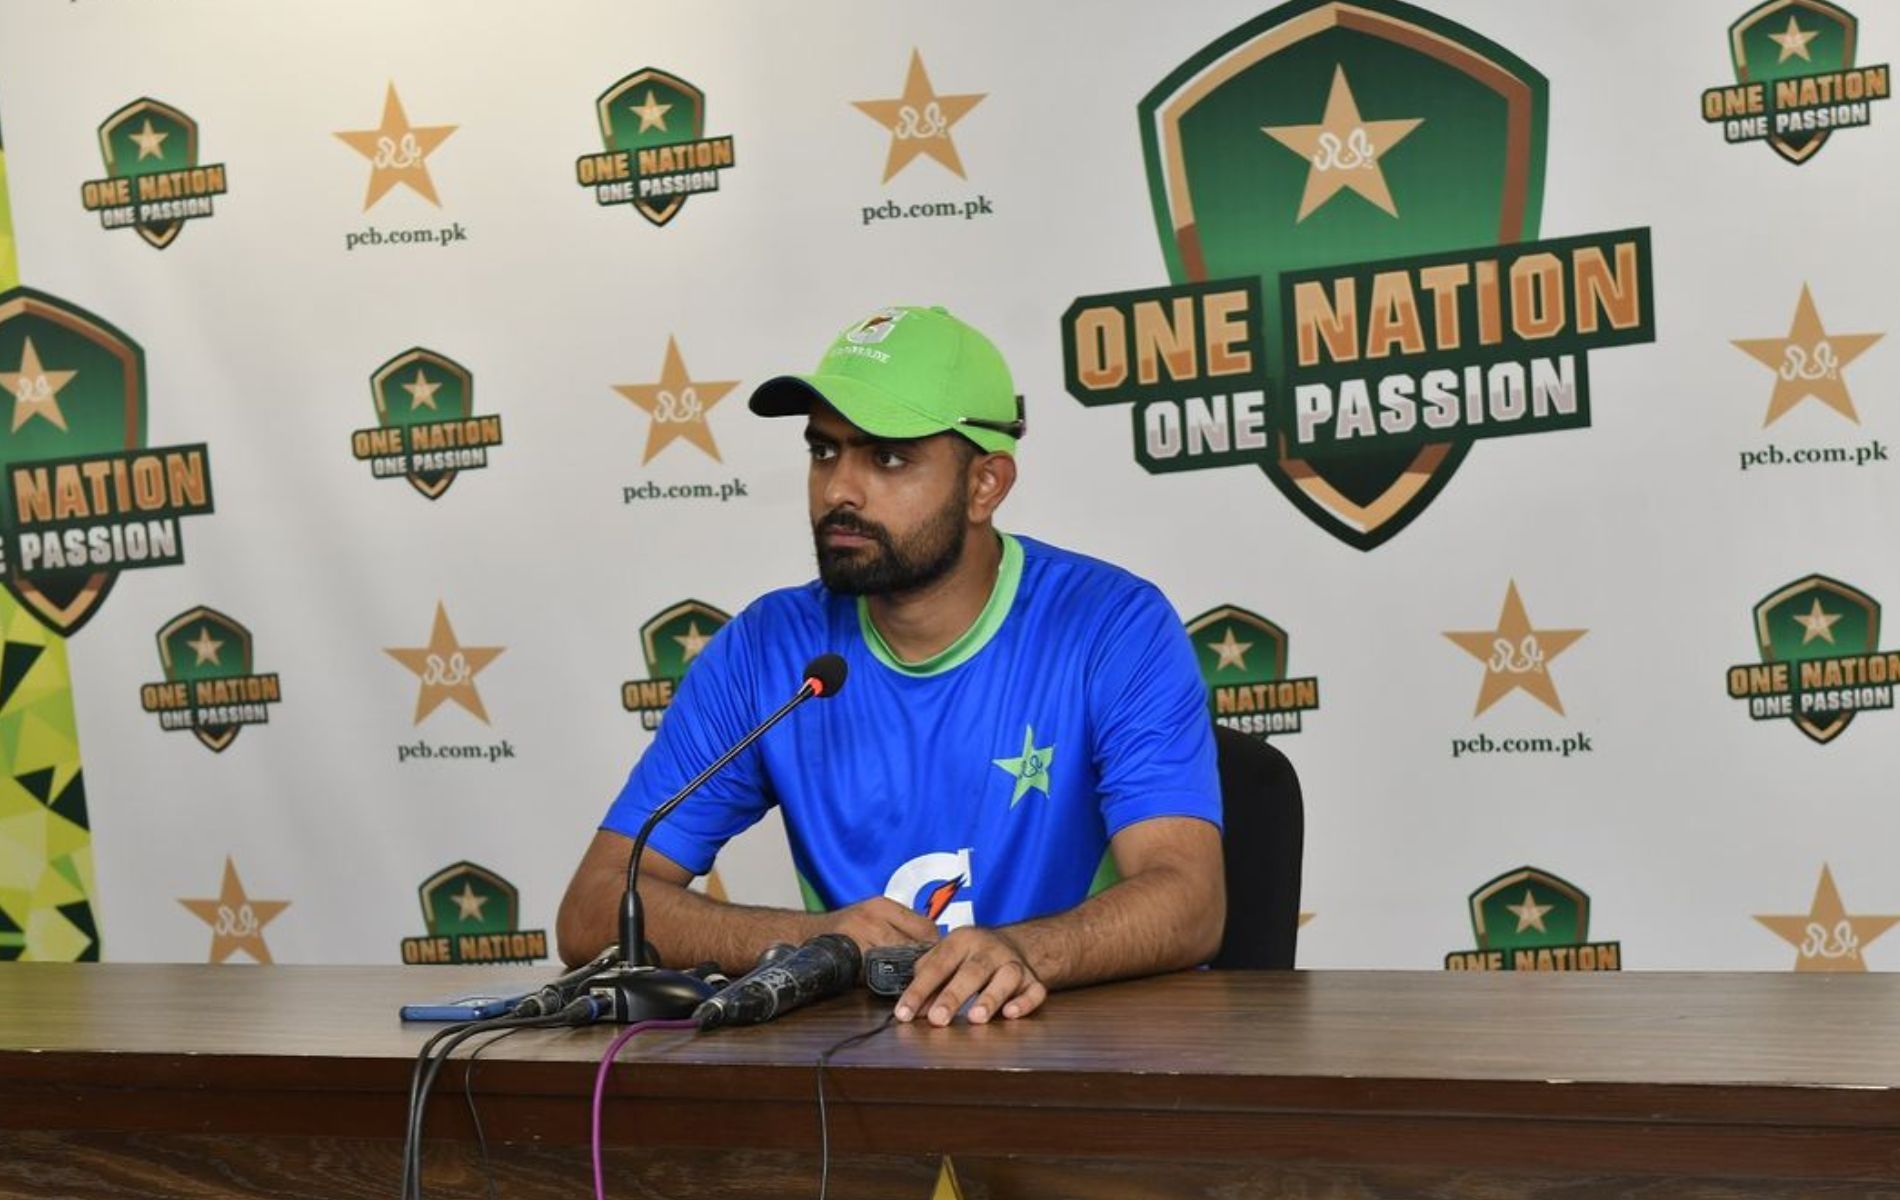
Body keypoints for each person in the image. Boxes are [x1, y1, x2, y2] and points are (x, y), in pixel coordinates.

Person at [556, 305, 1224, 1026]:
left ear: (985, 485)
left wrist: (1021, 952)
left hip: (1074, 1058)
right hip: (860, 1077)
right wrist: (815, 942)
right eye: (823, 452)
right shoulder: (767, 649)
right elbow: (595, 907)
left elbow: (1189, 900)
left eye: (888, 457)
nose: (839, 489)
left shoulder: (1111, 625)